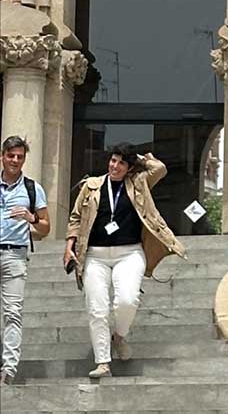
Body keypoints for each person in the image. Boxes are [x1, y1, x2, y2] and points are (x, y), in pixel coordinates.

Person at [63, 144, 186, 378]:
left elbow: (159, 168)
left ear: (129, 167)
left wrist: (138, 158)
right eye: (113, 160)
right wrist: (69, 247)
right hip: (94, 255)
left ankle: (118, 336)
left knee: (127, 301)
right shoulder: (92, 186)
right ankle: (102, 362)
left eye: (121, 162)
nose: (114, 166)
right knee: (97, 309)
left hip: (129, 253)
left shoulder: (138, 183)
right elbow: (76, 217)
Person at [0, 136, 50, 386]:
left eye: (20, 157)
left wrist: (31, 218)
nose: (15, 161)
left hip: (15, 255)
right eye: (11, 156)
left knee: (13, 312)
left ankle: (8, 369)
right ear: (3, 156)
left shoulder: (33, 188)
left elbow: (46, 229)